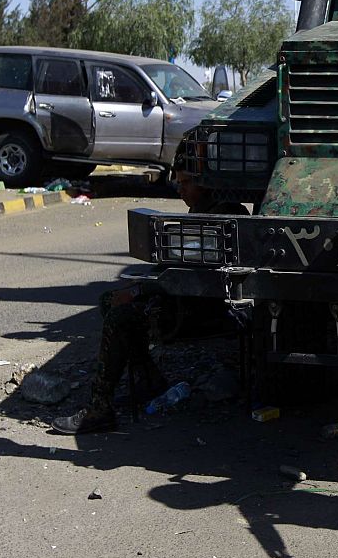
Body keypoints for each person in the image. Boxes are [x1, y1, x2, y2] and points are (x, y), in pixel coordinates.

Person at [51, 137, 248, 434]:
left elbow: (198, 279)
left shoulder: (222, 216)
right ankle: (149, 380)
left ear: (205, 183)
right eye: (178, 182)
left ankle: (100, 409)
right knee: (110, 301)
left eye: (185, 183)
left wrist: (141, 290)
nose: (180, 190)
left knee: (120, 317)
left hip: (205, 312)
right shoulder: (204, 211)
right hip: (187, 303)